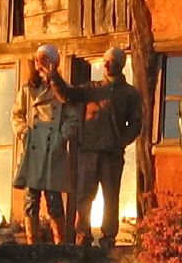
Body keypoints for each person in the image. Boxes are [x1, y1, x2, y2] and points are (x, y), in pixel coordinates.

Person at [54, 45, 144, 248]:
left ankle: (108, 237)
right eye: (104, 60)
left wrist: (122, 141)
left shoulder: (130, 94)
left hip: (112, 154)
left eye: (110, 60)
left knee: (111, 197)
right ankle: (82, 235)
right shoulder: (91, 89)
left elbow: (136, 123)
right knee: (84, 195)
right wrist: (54, 75)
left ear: (120, 65)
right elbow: (67, 95)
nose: (106, 64)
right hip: (88, 151)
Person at [12, 44, 77, 244]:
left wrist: (60, 137)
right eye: (38, 58)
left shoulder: (63, 90)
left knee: (54, 198)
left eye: (44, 59)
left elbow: (72, 119)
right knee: (31, 198)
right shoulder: (27, 89)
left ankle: (61, 243)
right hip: (33, 148)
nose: (40, 63)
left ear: (53, 62)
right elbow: (16, 114)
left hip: (52, 151)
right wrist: (24, 132)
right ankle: (33, 243)